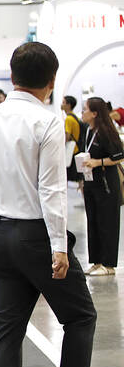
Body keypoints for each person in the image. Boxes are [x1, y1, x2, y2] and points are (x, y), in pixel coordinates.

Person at [0, 42, 108, 367]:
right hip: (36, 236)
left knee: (6, 332)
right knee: (80, 317)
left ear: (12, 77)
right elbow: (52, 190)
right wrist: (59, 246)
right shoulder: (46, 122)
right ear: (51, 81)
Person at [78, 96, 124, 276]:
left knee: (107, 223)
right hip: (91, 182)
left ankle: (109, 264)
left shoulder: (106, 130)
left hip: (106, 184)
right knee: (93, 222)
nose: (82, 113)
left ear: (95, 113)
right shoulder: (88, 130)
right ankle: (96, 262)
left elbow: (119, 156)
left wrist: (98, 162)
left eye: (85, 109)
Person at [61, 95, 84, 183]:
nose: (61, 104)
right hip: (77, 148)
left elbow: (67, 137)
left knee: (68, 177)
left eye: (63, 102)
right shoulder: (75, 116)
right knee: (79, 177)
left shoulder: (68, 119)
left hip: (71, 151)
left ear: (69, 105)